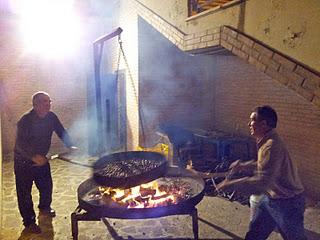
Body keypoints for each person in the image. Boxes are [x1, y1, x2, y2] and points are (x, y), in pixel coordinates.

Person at [216, 105, 307, 240]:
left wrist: (230, 184)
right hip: (271, 198)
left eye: (252, 120)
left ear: (263, 124)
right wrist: (243, 165)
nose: (248, 124)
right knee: (255, 234)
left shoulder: (271, 145)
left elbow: (262, 181)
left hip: (288, 202)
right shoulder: (267, 141)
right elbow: (266, 165)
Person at [14, 91, 77, 234]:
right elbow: (19, 144)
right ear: (35, 105)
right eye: (44, 101)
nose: (48, 104)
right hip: (23, 162)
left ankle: (44, 207)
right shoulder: (25, 121)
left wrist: (70, 144)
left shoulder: (51, 117)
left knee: (46, 186)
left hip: (41, 160)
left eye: (49, 101)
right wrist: (33, 156)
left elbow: (61, 131)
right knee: (24, 193)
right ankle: (29, 222)